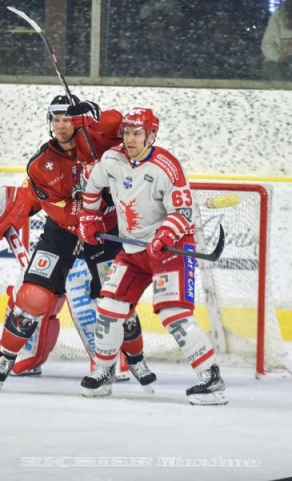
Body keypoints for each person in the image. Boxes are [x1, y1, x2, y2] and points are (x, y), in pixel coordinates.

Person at [0, 96, 156, 392]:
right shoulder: (40, 164)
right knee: (33, 297)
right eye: (56, 120)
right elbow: (56, 210)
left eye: (68, 120)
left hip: (105, 230)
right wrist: (10, 212)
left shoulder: (99, 140)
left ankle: (134, 359)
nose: (61, 126)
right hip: (63, 231)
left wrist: (95, 117)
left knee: (117, 301)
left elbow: (118, 122)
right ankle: (7, 358)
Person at [76, 107, 228, 406]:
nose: (129, 139)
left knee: (174, 315)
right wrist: (89, 217)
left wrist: (165, 235)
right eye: (126, 132)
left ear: (151, 137)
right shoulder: (112, 160)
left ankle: (211, 378)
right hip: (133, 250)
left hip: (169, 249)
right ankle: (104, 371)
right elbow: (91, 185)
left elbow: (182, 211)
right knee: (108, 307)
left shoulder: (166, 167)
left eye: (137, 133)